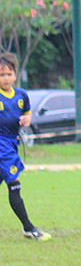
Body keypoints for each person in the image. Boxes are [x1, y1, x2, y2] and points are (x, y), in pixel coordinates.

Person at [0, 53, 50, 240]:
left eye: (8, 74)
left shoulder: (21, 95)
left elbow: (27, 112)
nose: (5, 78)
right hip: (1, 144)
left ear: (15, 75)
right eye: (1, 74)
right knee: (14, 184)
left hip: (11, 142)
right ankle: (29, 228)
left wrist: (27, 119)